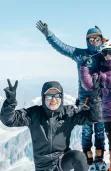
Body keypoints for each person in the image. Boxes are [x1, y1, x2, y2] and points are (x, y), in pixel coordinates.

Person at [36, 20, 106, 167]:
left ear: (101, 40)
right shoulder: (80, 54)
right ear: (87, 41)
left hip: (101, 99)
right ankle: (88, 157)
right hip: (84, 101)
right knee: (87, 129)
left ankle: (100, 158)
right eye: (91, 39)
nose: (94, 42)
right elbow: (61, 47)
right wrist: (49, 35)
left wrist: (105, 39)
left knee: (100, 129)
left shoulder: (104, 55)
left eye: (97, 39)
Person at [0, 79, 102, 171]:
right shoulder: (34, 114)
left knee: (79, 157)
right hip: (42, 167)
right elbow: (9, 120)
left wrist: (95, 99)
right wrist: (10, 102)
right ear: (44, 98)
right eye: (49, 96)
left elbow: (94, 118)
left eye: (57, 96)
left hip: (61, 162)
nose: (53, 100)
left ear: (61, 97)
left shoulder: (68, 113)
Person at [80, 39, 111, 155]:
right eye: (105, 52)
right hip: (109, 116)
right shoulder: (101, 72)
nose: (108, 55)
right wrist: (84, 67)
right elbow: (88, 85)